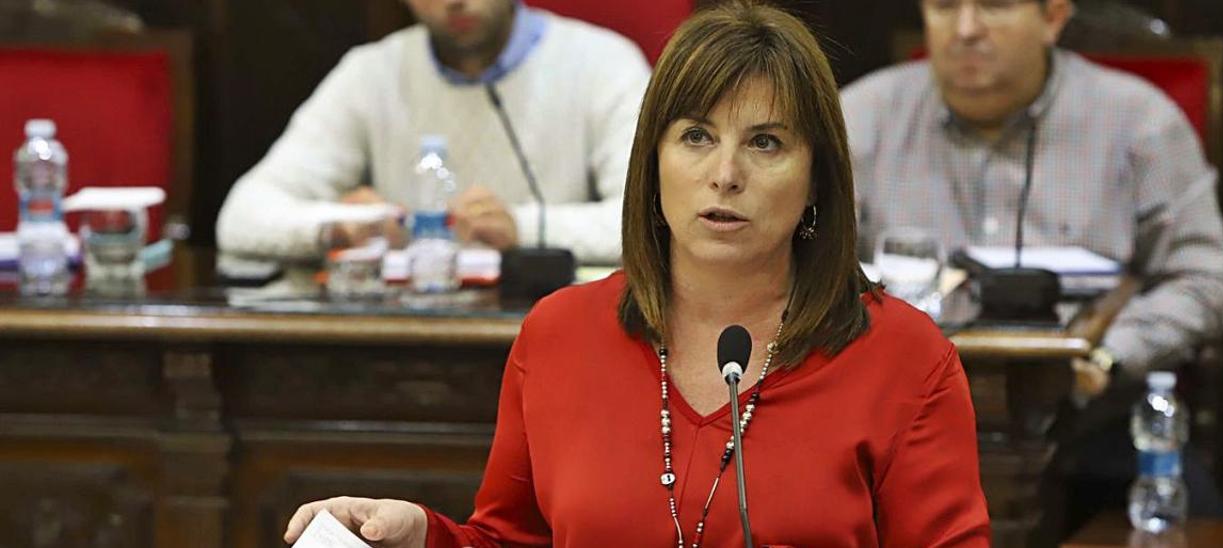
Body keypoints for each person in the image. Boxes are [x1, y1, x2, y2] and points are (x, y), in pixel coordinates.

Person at [281, 3, 991, 547]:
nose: (725, 175)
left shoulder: (905, 359)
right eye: (696, 137)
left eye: (766, 142)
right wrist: (424, 535)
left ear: (817, 180)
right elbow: (510, 540)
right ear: (652, 164)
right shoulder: (557, 335)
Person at [839, 0, 1223, 540]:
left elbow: (1204, 280)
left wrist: (1108, 355)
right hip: (894, 425)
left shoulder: (1139, 123)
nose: (966, 29)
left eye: (994, 7)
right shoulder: (859, 118)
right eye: (944, 7)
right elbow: (810, 269)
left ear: (1052, 17)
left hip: (1089, 425)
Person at [215, 0, 650, 266]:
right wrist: (338, 227)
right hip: (408, 335)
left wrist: (520, 226)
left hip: (555, 331)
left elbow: (652, 223)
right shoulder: (371, 72)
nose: (454, 1)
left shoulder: (603, 64)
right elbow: (241, 216)